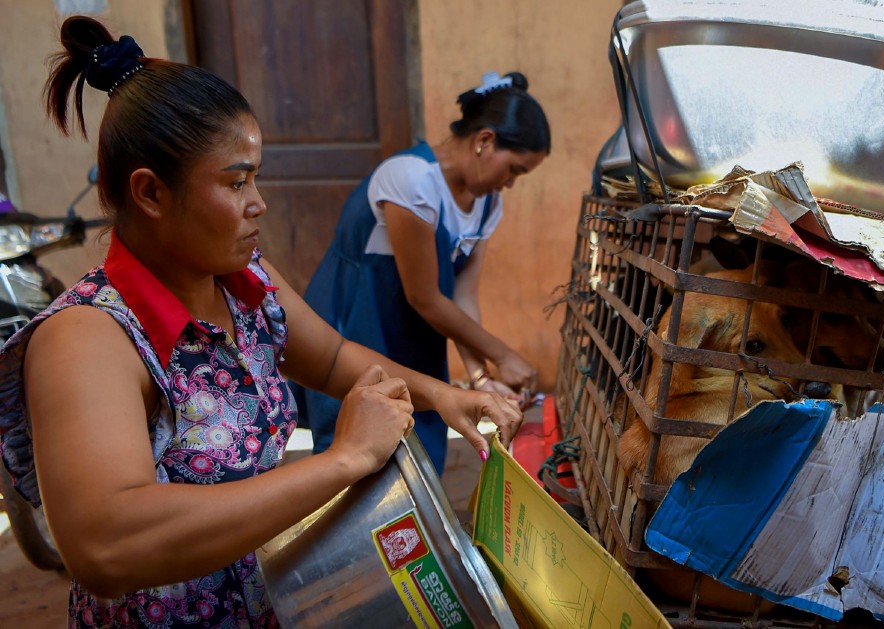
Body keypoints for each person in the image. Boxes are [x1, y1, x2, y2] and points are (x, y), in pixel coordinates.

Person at [0, 16, 522, 627]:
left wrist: (446, 397)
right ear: (150, 194)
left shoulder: (246, 284)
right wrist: (343, 459)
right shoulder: (87, 337)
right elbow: (106, 547)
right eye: (236, 181)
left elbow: (327, 358)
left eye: (257, 177)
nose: (259, 203)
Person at [298, 70, 551, 473]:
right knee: (357, 448)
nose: (511, 184)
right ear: (485, 141)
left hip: (415, 333)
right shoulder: (412, 180)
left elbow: (462, 297)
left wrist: (481, 376)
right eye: (515, 170)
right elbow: (425, 296)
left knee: (421, 445)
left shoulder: (486, 204)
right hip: (361, 320)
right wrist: (503, 353)